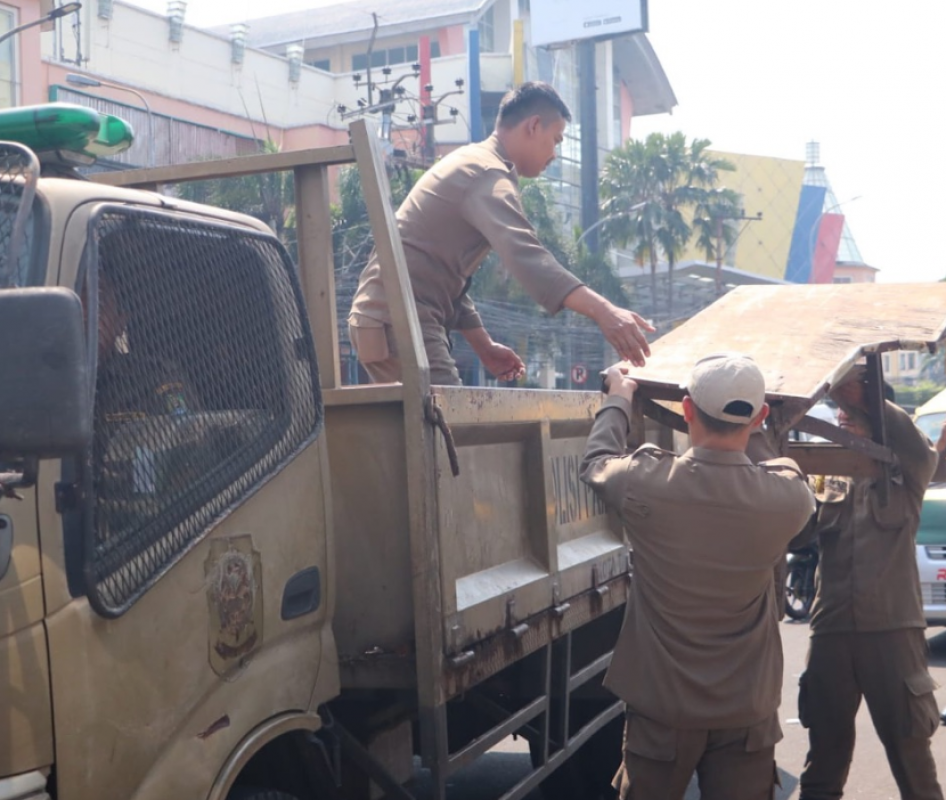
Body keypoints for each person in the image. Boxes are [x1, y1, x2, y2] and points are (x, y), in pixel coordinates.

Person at [580, 354, 815, 800]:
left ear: (687, 410)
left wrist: (619, 398)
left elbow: (596, 461)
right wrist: (761, 430)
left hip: (662, 709)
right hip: (746, 710)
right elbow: (781, 466)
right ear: (761, 416)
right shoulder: (787, 498)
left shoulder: (645, 480)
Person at [348, 81, 654, 385]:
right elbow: (526, 256)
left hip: (395, 315)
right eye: (556, 140)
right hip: (398, 318)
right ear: (534, 126)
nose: (555, 154)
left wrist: (484, 345)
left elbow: (442, 273)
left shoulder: (475, 162)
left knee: (439, 426)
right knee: (447, 426)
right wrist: (605, 311)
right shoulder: (486, 173)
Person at [797, 370, 944, 800]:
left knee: (911, 758)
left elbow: (914, 443)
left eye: (853, 412)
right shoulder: (828, 476)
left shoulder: (909, 469)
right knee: (823, 759)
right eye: (840, 411)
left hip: (893, 630)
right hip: (831, 629)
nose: (842, 418)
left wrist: (866, 400)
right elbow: (799, 531)